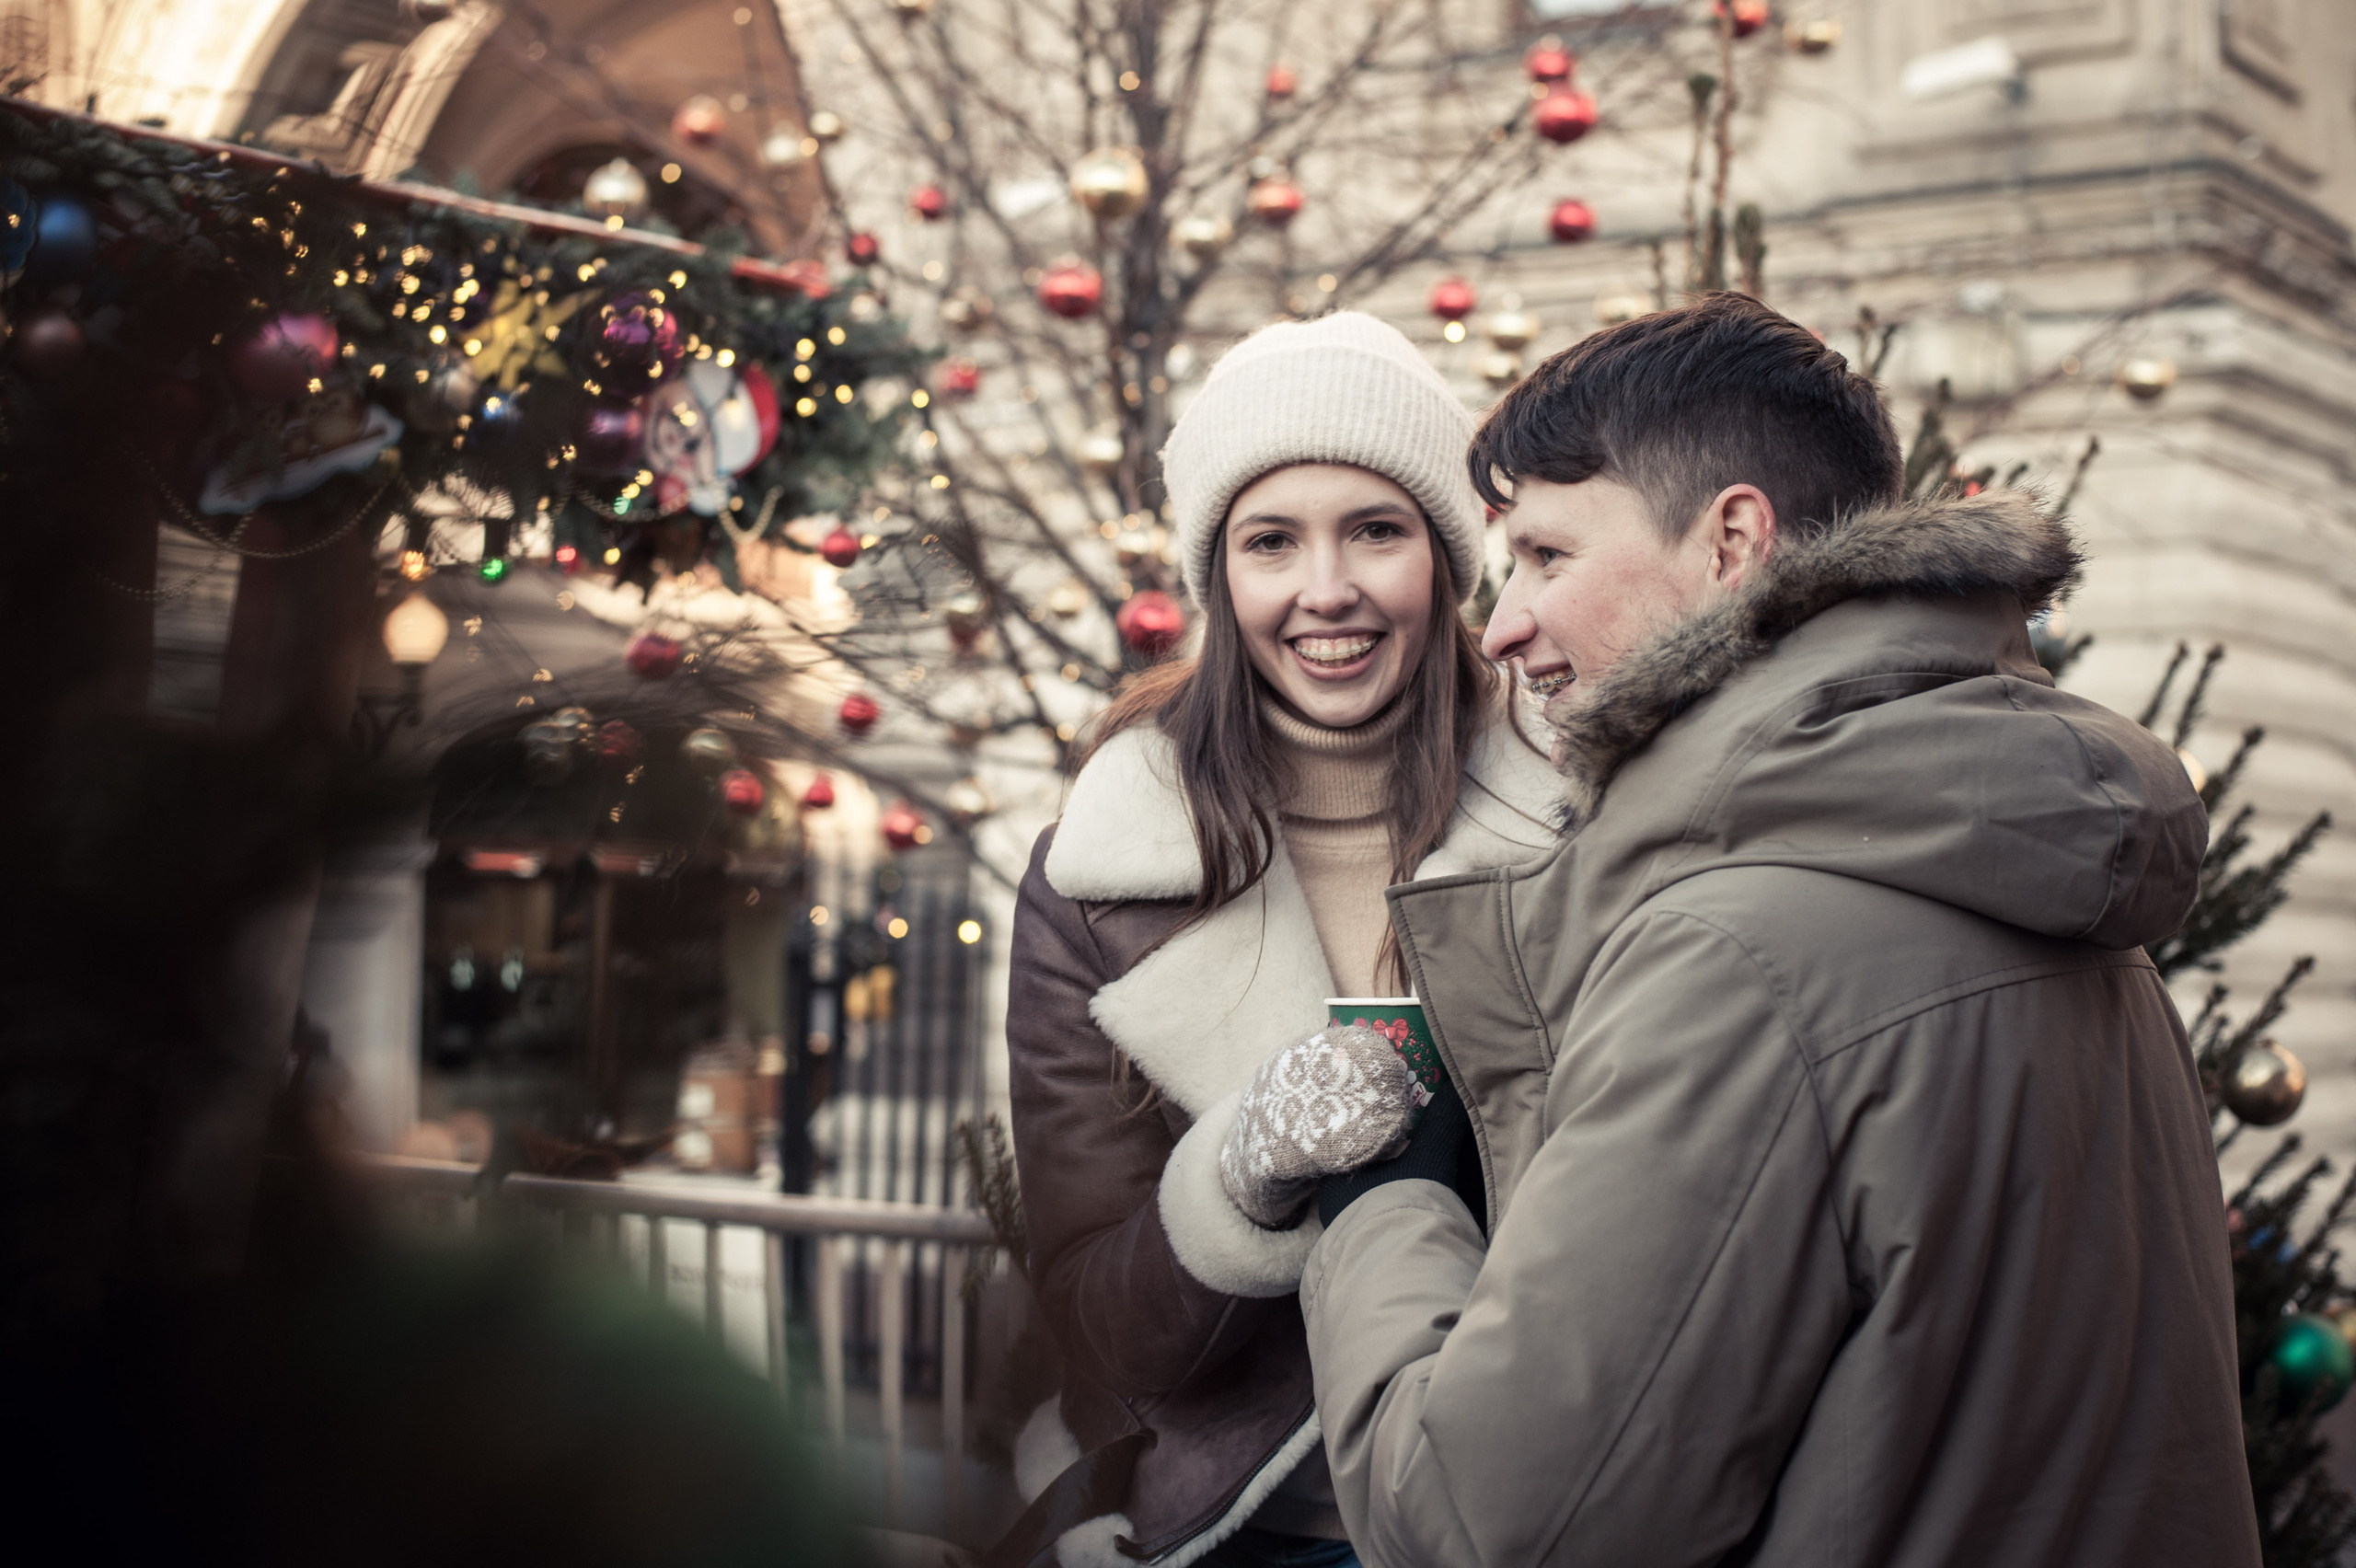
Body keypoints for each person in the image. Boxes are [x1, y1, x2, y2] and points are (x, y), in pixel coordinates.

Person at [1292, 294, 2260, 1566]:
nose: (1502, 623)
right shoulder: (2037, 861)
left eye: (1546, 556)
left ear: (1733, 539)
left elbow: (1496, 1528)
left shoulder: (1737, 956)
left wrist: (1385, 1203)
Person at [999, 313, 1559, 1568]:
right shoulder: (1102, 877)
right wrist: (1236, 1175)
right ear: (1219, 579)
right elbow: (1095, 1322)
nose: (1327, 589)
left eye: (1376, 529)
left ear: (1446, 556)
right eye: (1271, 541)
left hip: (1535, 1503)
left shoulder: (1575, 808)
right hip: (1245, 1528)